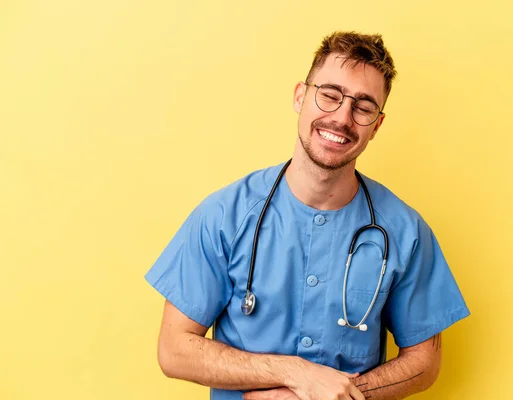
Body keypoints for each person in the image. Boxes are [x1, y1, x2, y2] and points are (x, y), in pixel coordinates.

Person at [145, 31, 470, 400]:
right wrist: (295, 374)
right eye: (329, 95)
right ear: (300, 96)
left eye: (363, 107)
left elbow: (425, 362)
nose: (342, 118)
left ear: (376, 125)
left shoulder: (405, 232)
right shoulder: (224, 216)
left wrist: (339, 394)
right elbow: (174, 349)